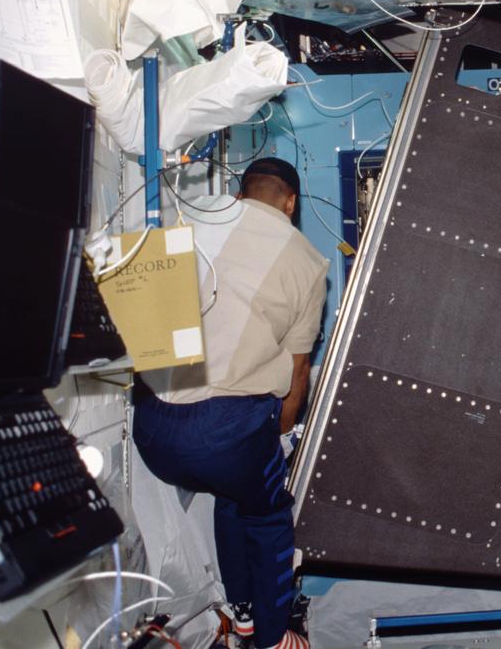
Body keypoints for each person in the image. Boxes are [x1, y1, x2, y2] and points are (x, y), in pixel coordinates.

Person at [133, 157, 328, 649]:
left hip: (151, 429)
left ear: (239, 195)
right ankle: (271, 635)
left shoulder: (192, 215)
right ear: (291, 203)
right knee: (269, 514)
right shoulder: (308, 262)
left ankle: (240, 615)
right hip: (223, 434)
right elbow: (298, 369)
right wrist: (280, 439)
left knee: (235, 494)